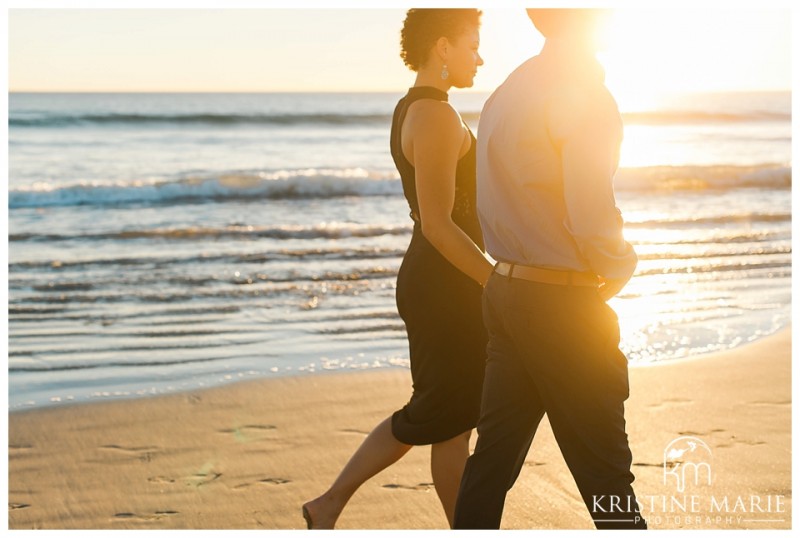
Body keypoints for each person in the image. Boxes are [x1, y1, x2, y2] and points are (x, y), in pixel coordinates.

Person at [453, 9, 647, 530]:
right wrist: (622, 263)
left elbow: (485, 203)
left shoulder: (505, 93)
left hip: (508, 292)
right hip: (562, 307)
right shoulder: (584, 96)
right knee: (607, 474)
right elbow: (591, 213)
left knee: (490, 463)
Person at [302, 9, 494, 529]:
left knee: (445, 417)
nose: (481, 56)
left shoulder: (414, 108)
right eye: (473, 44)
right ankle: (336, 502)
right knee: (443, 416)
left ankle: (330, 505)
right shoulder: (433, 115)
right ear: (443, 48)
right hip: (446, 285)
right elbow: (437, 224)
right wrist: (494, 283)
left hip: (441, 281)